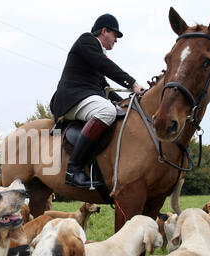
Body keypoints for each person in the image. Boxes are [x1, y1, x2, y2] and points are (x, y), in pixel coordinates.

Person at [50, 13, 145, 188]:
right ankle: (74, 170)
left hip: (85, 97)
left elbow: (104, 86)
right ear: (104, 31)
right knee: (107, 111)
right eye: (115, 35)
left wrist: (126, 101)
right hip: (71, 99)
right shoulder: (86, 41)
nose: (116, 40)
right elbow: (105, 65)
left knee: (116, 109)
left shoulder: (96, 52)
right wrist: (132, 83)